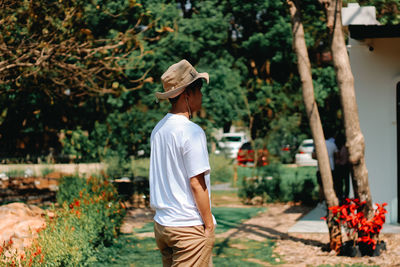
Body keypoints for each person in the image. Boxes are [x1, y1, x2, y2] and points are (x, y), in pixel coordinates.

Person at [149, 59, 216, 267]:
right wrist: (209, 225)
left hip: (163, 225)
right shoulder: (191, 131)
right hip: (187, 227)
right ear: (187, 93)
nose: (202, 96)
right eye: (199, 90)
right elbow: (196, 183)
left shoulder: (159, 129)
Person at [313, 133, 338, 203]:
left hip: (320, 169)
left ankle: (322, 203)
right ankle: (333, 203)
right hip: (331, 167)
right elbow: (337, 155)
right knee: (333, 186)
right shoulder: (332, 144)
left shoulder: (318, 144)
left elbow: (313, 155)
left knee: (321, 187)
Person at [335, 134, 351, 203]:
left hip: (342, 167)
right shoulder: (344, 148)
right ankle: (344, 197)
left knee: (342, 183)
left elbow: (340, 159)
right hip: (344, 167)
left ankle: (343, 197)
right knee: (344, 183)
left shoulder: (343, 148)